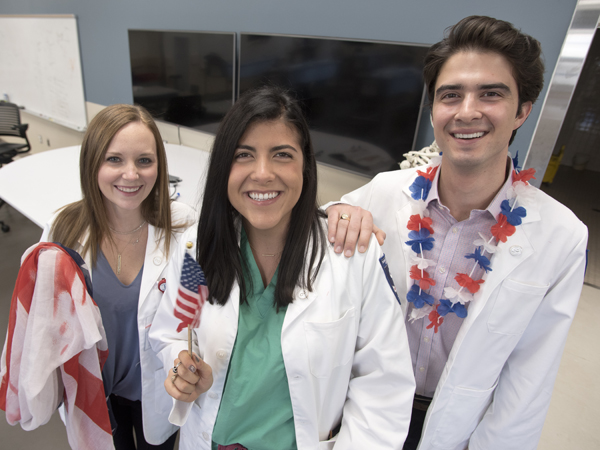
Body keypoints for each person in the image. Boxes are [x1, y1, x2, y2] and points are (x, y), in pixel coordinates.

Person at [326, 15, 588, 450]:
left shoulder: (561, 236)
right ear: (434, 110)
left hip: (458, 425)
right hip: (364, 405)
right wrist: (336, 208)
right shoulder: (385, 191)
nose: (467, 111)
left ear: (523, 110)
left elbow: (529, 378)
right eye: (451, 95)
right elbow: (319, 224)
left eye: (491, 94)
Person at [149, 86, 415, 450]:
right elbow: (170, 332)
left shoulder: (351, 256)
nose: (262, 173)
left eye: (281, 155)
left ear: (305, 164)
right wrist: (181, 368)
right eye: (244, 155)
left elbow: (383, 385)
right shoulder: (198, 247)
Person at [41, 104, 195, 449]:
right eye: (114, 160)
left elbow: (199, 306)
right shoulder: (64, 229)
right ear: (92, 163)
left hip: (158, 388)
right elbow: (43, 321)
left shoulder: (183, 225)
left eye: (144, 160)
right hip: (98, 391)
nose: (131, 174)